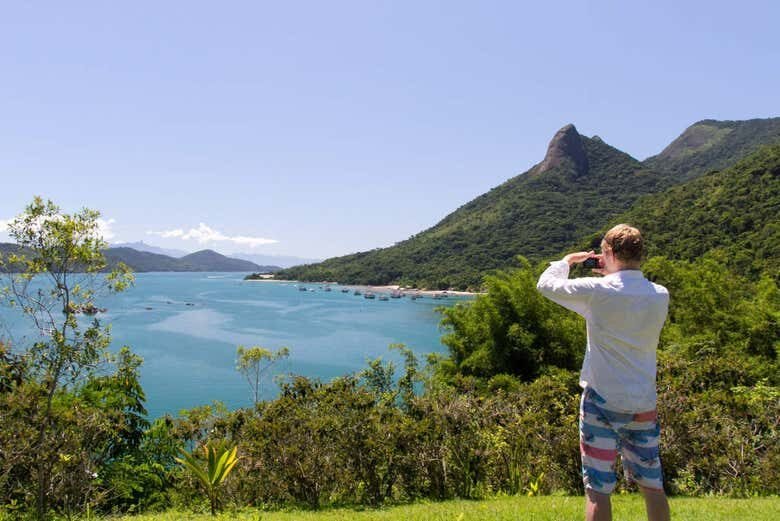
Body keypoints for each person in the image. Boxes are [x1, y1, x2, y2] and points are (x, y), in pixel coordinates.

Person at [536, 224, 671, 521]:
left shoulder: (598, 292)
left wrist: (566, 263)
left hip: (601, 402)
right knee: (653, 486)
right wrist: (613, 275)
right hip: (643, 403)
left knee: (598, 490)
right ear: (640, 254)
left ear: (607, 252)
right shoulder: (660, 295)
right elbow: (627, 296)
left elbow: (546, 285)